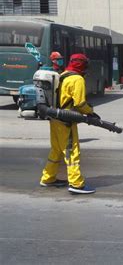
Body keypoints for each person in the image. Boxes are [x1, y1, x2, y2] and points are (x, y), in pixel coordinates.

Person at [39, 53, 97, 194]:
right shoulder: (77, 79)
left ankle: (48, 178)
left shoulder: (64, 74)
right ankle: (76, 184)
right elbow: (80, 103)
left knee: (56, 150)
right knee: (72, 152)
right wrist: (91, 112)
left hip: (54, 118)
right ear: (82, 65)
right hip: (66, 121)